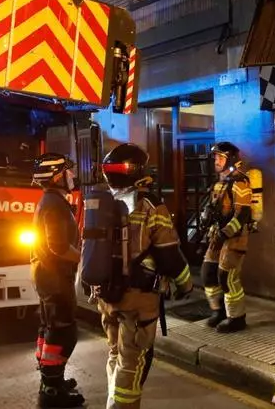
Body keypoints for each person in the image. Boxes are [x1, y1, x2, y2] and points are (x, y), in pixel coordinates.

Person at [95, 143, 194, 408]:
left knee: (115, 353)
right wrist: (186, 284)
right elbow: (169, 255)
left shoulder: (100, 202)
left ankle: (111, 401)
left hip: (107, 298)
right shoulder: (151, 206)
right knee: (134, 362)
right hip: (137, 302)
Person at [30, 153, 84, 408]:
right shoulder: (53, 204)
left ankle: (52, 380)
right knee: (62, 331)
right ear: (57, 176)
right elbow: (59, 246)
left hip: (46, 274)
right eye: (67, 171)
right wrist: (84, 260)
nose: (72, 175)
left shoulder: (51, 200)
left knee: (49, 326)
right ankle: (51, 391)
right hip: (54, 276)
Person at [201, 141, 253, 333]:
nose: (216, 161)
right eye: (215, 157)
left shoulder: (240, 181)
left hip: (235, 237)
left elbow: (243, 214)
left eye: (220, 157)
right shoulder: (220, 181)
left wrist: (226, 233)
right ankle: (219, 311)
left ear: (230, 159)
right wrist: (206, 214)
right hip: (218, 236)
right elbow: (213, 206)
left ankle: (237, 317)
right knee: (208, 273)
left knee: (227, 277)